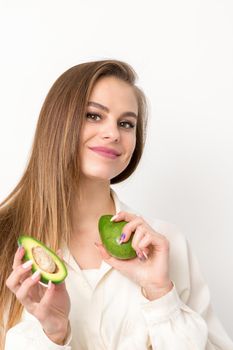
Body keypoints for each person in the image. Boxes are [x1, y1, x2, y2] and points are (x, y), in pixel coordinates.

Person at [0, 59, 232, 350]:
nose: (113, 133)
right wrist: (53, 333)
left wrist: (160, 294)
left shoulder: (165, 243)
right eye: (94, 116)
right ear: (58, 122)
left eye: (126, 123)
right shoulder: (4, 240)